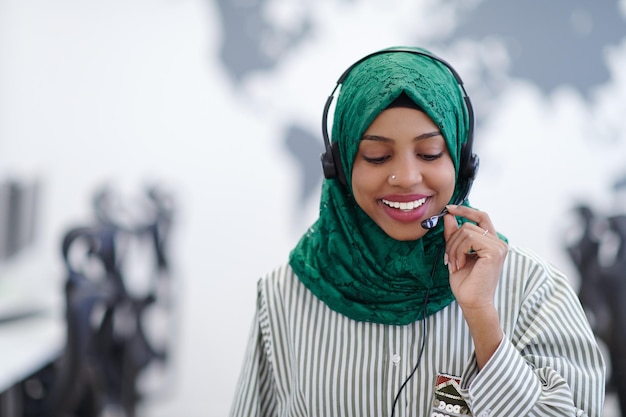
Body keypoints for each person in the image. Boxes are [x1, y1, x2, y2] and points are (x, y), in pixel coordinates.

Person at [229, 46, 605, 417]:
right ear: (339, 166)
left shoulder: (532, 290)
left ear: (462, 160)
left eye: (429, 153)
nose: (406, 177)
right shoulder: (283, 295)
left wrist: (483, 321)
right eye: (376, 157)